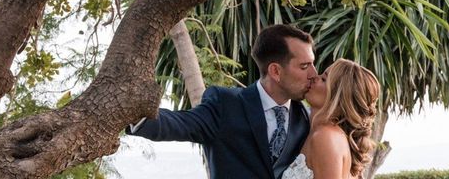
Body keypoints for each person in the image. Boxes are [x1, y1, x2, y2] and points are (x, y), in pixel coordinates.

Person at [127, 24, 318, 179]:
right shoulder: (225, 104)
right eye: (304, 66)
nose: (314, 74)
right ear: (275, 71)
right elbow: (181, 123)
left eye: (313, 64)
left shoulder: (305, 117)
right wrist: (130, 111)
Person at [282, 58, 380, 179]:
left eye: (323, 79)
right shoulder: (322, 133)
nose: (314, 77)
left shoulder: (325, 137)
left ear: (339, 98)